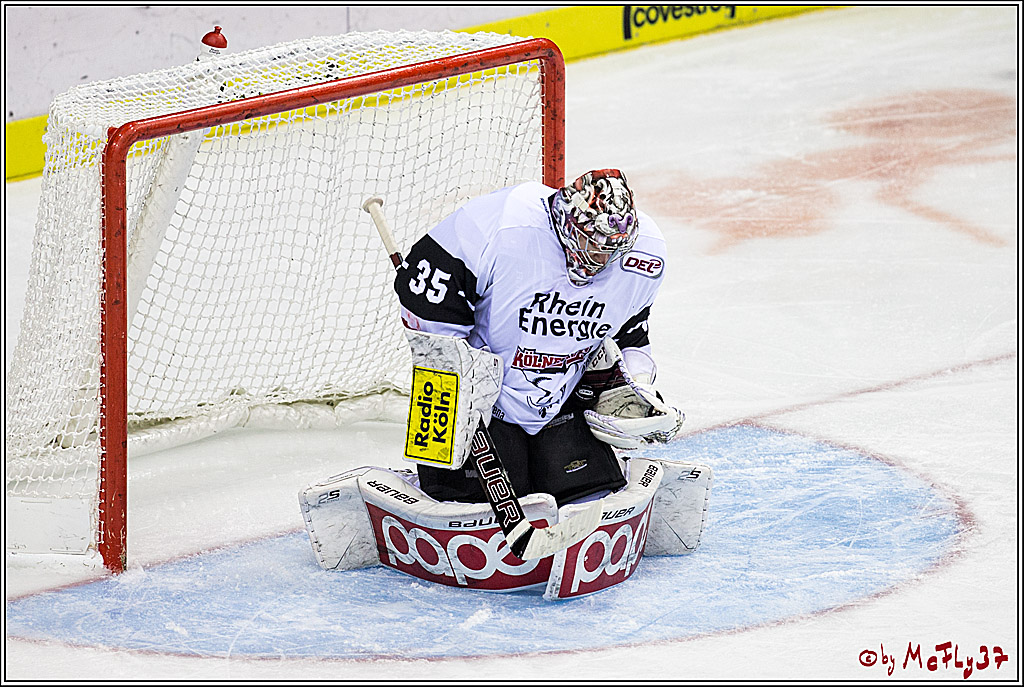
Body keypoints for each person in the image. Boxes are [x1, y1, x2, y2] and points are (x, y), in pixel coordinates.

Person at [393, 169, 683, 507]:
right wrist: (464, 384)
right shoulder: (502, 225)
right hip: (479, 393)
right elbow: (424, 308)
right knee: (460, 493)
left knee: (591, 493)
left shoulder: (645, 252)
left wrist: (640, 390)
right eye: (594, 243)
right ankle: (441, 483)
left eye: (613, 248)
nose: (604, 259)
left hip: (558, 397)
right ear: (568, 221)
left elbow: (631, 333)